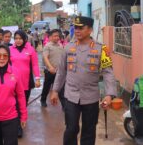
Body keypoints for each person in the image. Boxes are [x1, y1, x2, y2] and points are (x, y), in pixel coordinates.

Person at [50, 16, 117, 145]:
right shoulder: (68, 48)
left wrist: (109, 95)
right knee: (71, 129)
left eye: (81, 27)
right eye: (76, 27)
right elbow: (61, 71)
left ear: (90, 29)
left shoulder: (101, 49)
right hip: (71, 96)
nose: (77, 30)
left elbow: (108, 73)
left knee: (89, 131)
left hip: (91, 97)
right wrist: (55, 90)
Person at [10, 30, 40, 137]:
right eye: (16, 38)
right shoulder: (10, 49)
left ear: (25, 39)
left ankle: (19, 125)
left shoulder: (30, 49)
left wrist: (37, 78)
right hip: (12, 82)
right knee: (13, 104)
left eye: (20, 38)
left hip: (26, 83)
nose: (18, 41)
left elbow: (35, 65)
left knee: (22, 104)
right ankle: (16, 126)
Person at [40, 29, 64, 107]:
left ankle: (64, 105)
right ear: (50, 37)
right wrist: (50, 68)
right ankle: (43, 100)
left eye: (58, 36)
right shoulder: (47, 46)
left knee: (60, 88)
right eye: (55, 36)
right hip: (50, 71)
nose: (57, 37)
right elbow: (45, 57)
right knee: (47, 87)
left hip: (59, 71)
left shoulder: (60, 45)